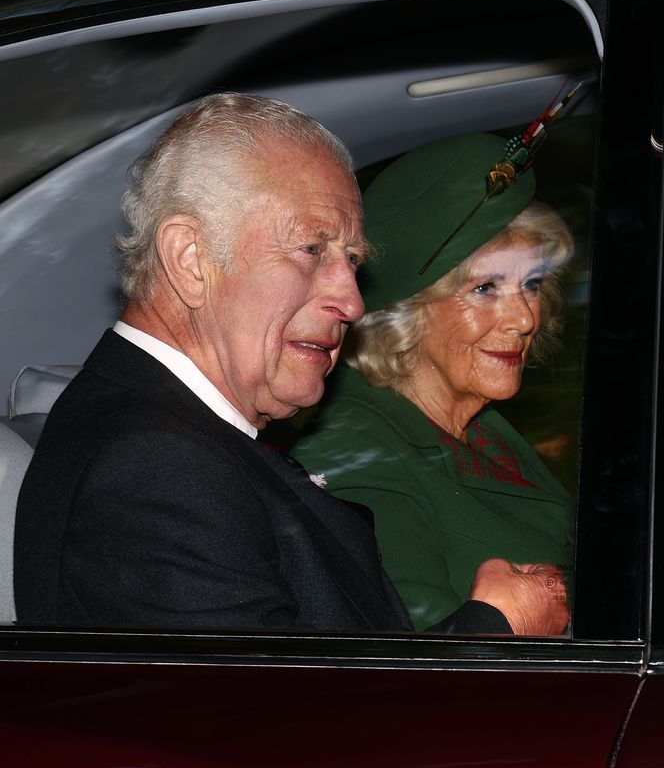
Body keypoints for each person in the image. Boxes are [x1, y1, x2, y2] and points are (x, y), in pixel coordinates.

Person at [14, 94, 568, 635]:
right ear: (190, 259)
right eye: (312, 250)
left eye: (351, 261)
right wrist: (495, 629)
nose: (352, 302)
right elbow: (274, 724)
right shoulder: (153, 469)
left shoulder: (184, 442)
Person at [292, 130, 576, 631]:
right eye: (485, 287)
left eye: (531, 284)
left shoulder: (481, 429)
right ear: (409, 312)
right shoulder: (355, 451)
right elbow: (420, 673)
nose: (525, 318)